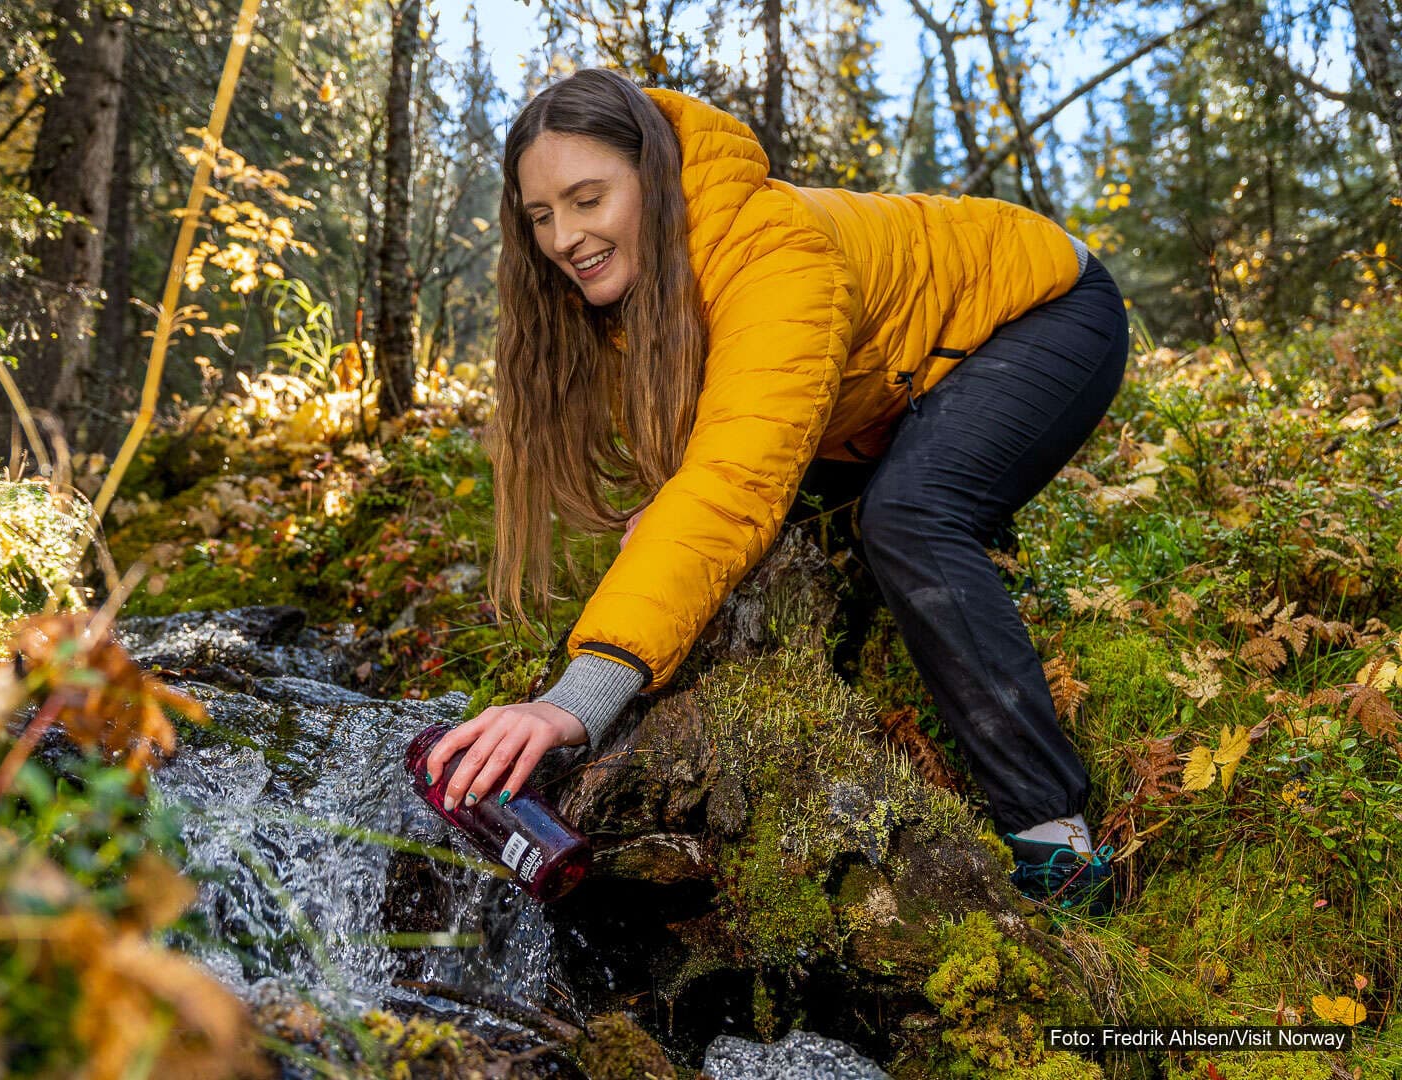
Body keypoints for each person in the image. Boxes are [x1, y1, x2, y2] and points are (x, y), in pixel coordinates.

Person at [420, 67, 1127, 914]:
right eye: (541, 216)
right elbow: (718, 448)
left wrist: (577, 700)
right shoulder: (630, 281)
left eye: (586, 199)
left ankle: (1055, 837)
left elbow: (733, 482)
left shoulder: (773, 252)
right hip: (877, 392)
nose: (565, 237)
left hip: (1038, 310)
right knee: (725, 531)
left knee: (908, 514)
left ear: (649, 177)